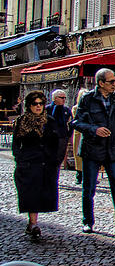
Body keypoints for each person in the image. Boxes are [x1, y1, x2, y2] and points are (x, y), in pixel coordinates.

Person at [73, 68, 115, 235]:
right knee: (89, 188)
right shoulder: (87, 98)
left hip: (112, 149)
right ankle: (88, 222)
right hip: (92, 149)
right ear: (100, 83)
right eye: (111, 81)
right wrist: (94, 129)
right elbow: (76, 122)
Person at [12, 90, 62, 242]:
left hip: (45, 163)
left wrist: (55, 160)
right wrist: (20, 158)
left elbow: (57, 142)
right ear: (29, 106)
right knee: (30, 193)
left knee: (41, 194)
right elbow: (16, 143)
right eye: (35, 104)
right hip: (28, 163)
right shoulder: (22, 121)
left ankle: (32, 223)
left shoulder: (50, 121)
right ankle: (33, 223)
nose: (38, 106)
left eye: (40, 103)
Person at [48, 89, 73, 170]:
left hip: (62, 137)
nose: (64, 100)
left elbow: (71, 123)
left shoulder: (66, 110)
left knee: (59, 158)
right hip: (50, 137)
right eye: (61, 98)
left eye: (65, 98)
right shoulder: (48, 109)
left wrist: (69, 134)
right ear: (55, 98)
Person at [72, 89, 89, 185]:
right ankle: (79, 175)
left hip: (89, 134)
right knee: (78, 155)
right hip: (79, 133)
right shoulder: (76, 108)